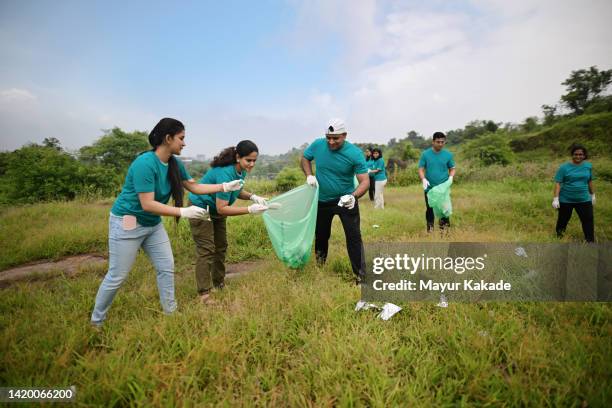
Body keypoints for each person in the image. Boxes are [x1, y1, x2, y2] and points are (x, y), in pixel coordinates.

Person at [91, 118, 243, 326]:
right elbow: (147, 204)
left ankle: (170, 314)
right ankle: (96, 322)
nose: (184, 143)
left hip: (152, 225)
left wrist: (224, 187)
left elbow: (195, 187)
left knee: (166, 267)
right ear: (168, 138)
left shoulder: (174, 163)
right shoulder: (145, 163)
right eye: (181, 138)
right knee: (118, 275)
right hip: (128, 221)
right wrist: (183, 211)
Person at [188, 140, 269, 303]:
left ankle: (219, 283)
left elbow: (236, 190)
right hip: (200, 208)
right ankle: (204, 293)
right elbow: (222, 208)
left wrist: (253, 196)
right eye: (249, 160)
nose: (252, 164)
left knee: (221, 246)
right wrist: (249, 209)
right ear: (238, 157)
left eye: (254, 160)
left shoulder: (241, 170)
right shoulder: (225, 172)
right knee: (207, 248)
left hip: (214, 208)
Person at [301, 118, 369, 283]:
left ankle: (361, 276)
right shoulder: (318, 145)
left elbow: (365, 181)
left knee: (353, 237)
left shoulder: (354, 153)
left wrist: (353, 196)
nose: (331, 142)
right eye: (328, 137)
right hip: (322, 201)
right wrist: (309, 175)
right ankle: (320, 269)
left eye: (336, 138)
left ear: (344, 135)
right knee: (322, 236)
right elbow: (304, 158)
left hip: (345, 200)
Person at [553, 144, 595, 242]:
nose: (578, 156)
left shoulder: (588, 166)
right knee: (563, 220)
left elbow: (590, 181)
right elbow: (558, 183)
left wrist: (593, 195)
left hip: (584, 199)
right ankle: (559, 237)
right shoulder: (564, 167)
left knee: (588, 220)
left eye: (581, 154)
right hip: (566, 199)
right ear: (572, 155)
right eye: (575, 154)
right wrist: (556, 198)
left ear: (584, 155)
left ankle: (590, 241)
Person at [418, 132, 456, 232]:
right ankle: (430, 229)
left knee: (444, 209)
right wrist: (423, 179)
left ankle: (444, 230)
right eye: (438, 142)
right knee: (430, 208)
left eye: (442, 142)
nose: (440, 144)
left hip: (443, 187)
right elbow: (421, 169)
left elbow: (452, 168)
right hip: (429, 187)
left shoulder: (448, 155)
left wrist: (451, 177)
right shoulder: (425, 154)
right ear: (433, 142)